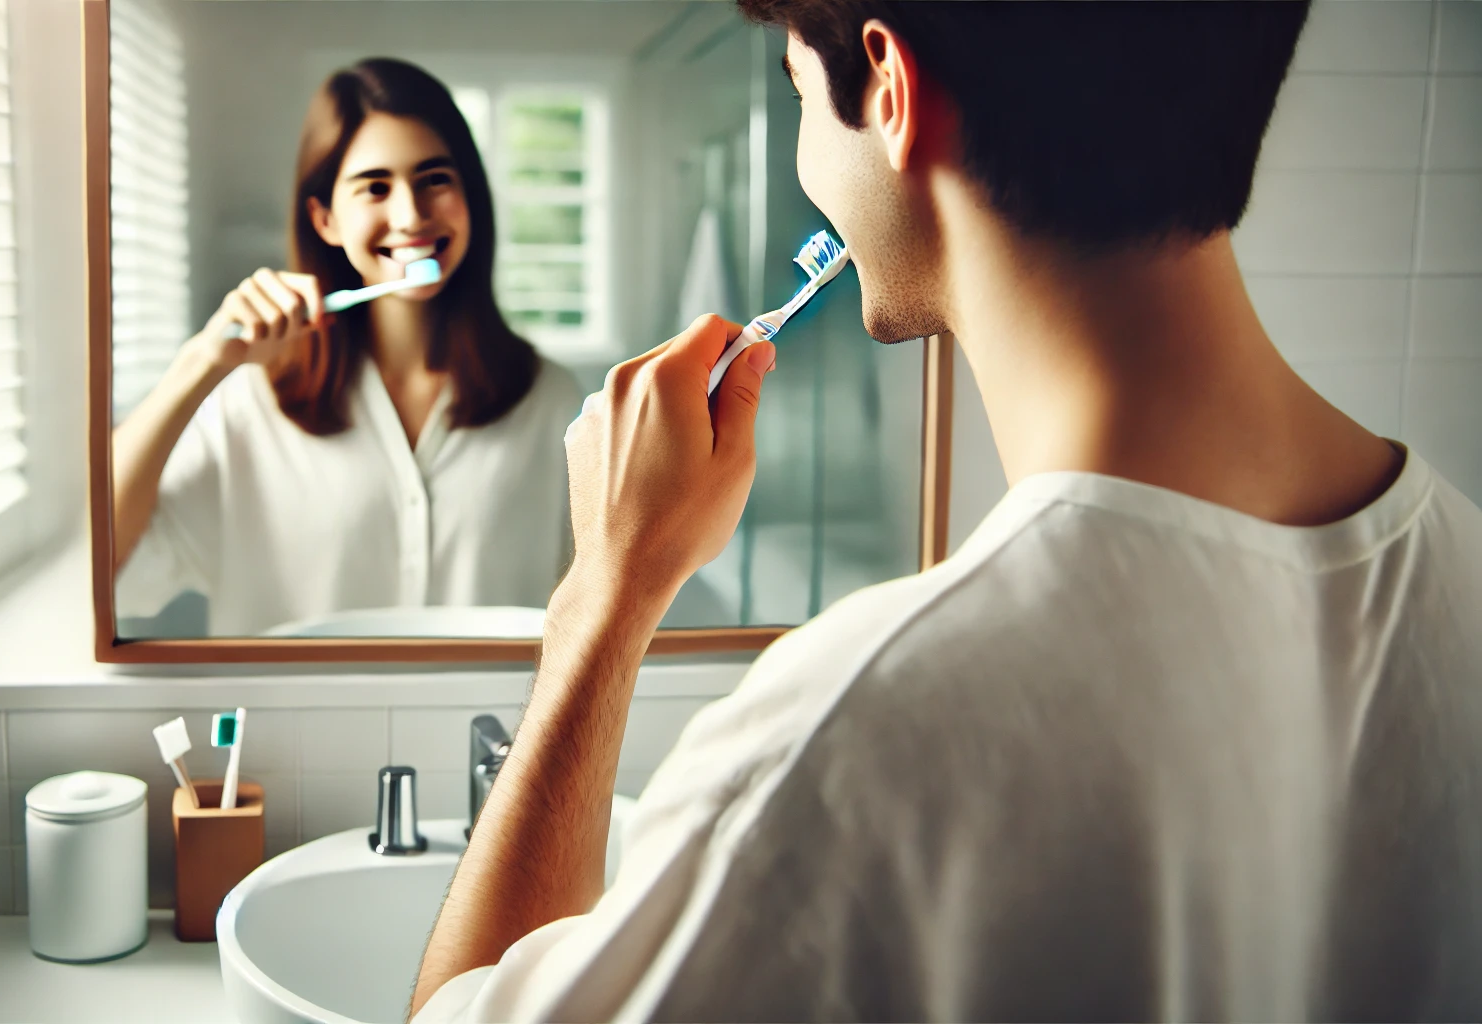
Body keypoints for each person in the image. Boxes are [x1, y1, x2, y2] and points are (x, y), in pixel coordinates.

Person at [410, 2, 1482, 1020]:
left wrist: (602, 593)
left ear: (888, 86)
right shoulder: (1462, 570)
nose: (802, 156)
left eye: (794, 97)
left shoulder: (849, 739)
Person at [113, 59, 581, 635]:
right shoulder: (245, 406)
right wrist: (200, 364)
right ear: (326, 219)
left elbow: (596, 606)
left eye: (435, 178)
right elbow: (107, 572)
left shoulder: (554, 402)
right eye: (375, 187)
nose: (410, 215)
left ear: (471, 200)